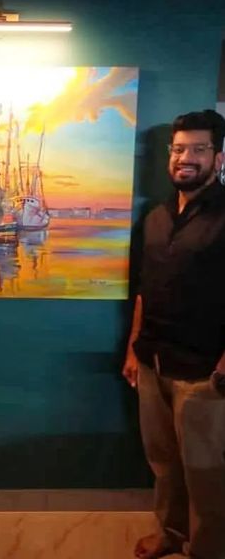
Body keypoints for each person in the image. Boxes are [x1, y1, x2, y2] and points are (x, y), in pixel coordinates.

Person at [123, 109, 225, 559]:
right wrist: (133, 350)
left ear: (218, 158)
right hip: (152, 361)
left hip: (204, 371)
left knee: (206, 471)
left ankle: (208, 548)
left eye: (199, 149)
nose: (186, 158)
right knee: (163, 462)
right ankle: (170, 532)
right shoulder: (156, 218)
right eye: (179, 149)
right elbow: (144, 291)